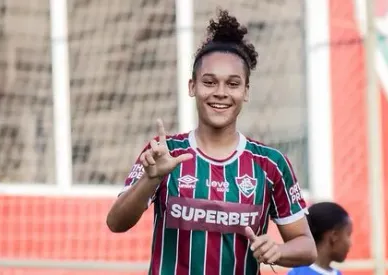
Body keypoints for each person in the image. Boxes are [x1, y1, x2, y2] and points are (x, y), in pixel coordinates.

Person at [106, 9, 317, 275]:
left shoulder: (271, 164)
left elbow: (307, 247)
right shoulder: (163, 153)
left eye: (232, 84)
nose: (220, 93)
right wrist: (151, 179)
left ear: (246, 92)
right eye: (209, 82)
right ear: (192, 86)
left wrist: (278, 250)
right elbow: (115, 223)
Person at [287, 202, 352, 275]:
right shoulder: (298, 273)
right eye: (348, 234)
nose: (350, 244)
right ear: (334, 236)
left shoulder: (337, 273)